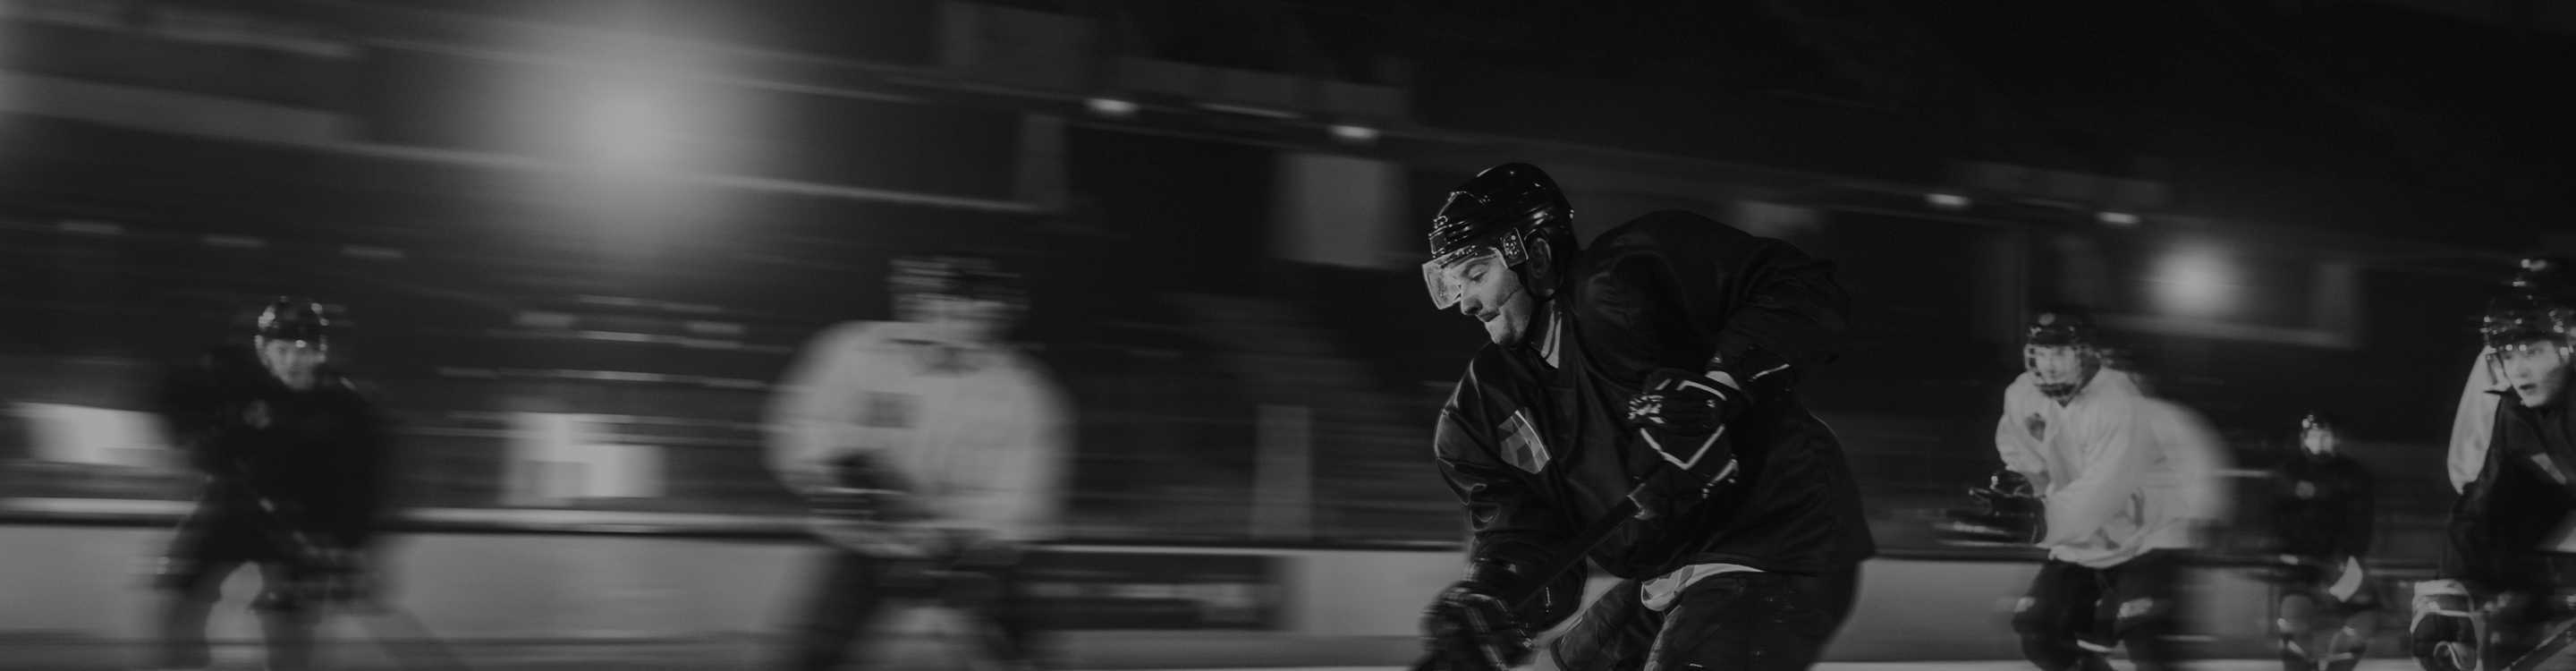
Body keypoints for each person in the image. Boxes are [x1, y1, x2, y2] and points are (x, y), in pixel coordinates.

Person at [1415, 163, 1875, 671]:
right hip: (1665, 575)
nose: (1466, 303)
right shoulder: (1483, 410)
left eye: (1477, 274)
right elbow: (1529, 543)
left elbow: (1802, 288)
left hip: (1776, 541)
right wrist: (1494, 599)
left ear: (1538, 256)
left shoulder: (1627, 281)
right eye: (1455, 283)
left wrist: (1720, 387)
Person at [766, 252, 1073, 671]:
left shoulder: (1023, 391)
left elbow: (1025, 491)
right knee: (812, 655)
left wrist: (975, 548)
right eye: (947, 306)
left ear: (997, 315)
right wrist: (841, 478)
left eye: (979, 311)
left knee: (1022, 656)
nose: (961, 321)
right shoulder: (855, 351)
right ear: (915, 302)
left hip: (968, 547)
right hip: (867, 541)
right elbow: (803, 424)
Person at [143, 297, 394, 671]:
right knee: (181, 588)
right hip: (234, 508)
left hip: (304, 523)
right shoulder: (237, 385)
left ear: (321, 353)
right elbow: (174, 403)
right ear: (263, 350)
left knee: (289, 621)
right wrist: (209, 439)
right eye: (282, 350)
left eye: (304, 351)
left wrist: (350, 547)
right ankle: (180, 658)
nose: (293, 361)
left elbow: (365, 483)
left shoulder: (346, 409)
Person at [1992, 308, 2195, 671]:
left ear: (2085, 355)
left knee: (2147, 642)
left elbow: (2104, 489)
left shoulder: (2117, 402)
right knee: (2040, 632)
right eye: (2041, 353)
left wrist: (2042, 519)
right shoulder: (2021, 395)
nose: (2049, 365)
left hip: (2145, 539)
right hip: (2082, 543)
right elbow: (2023, 455)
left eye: (2059, 353)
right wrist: (2021, 485)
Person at [2412, 263, 2576, 671]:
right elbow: (2486, 502)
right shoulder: (2517, 415)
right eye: (2507, 354)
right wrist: (2450, 589)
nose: (2517, 370)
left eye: (2532, 351)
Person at [2258, 412, 2379, 671]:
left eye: (2326, 436)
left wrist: (2349, 555)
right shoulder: (2288, 471)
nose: (2320, 441)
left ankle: (2337, 668)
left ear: (2337, 440)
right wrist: (2281, 550)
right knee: (2294, 619)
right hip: (2298, 566)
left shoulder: (2354, 474)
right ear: (2304, 439)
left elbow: (2362, 520)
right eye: (2314, 436)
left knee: (2364, 618)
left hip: (2341, 566)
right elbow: (2271, 515)